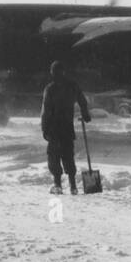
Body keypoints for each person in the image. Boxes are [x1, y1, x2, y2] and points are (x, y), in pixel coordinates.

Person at [41, 60, 91, 195]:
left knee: (54, 156)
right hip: (67, 127)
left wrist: (44, 128)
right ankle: (73, 186)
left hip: (53, 128)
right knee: (68, 155)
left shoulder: (50, 89)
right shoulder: (72, 86)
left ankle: (57, 185)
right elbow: (82, 100)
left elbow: (45, 111)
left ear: (52, 73)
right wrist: (85, 114)